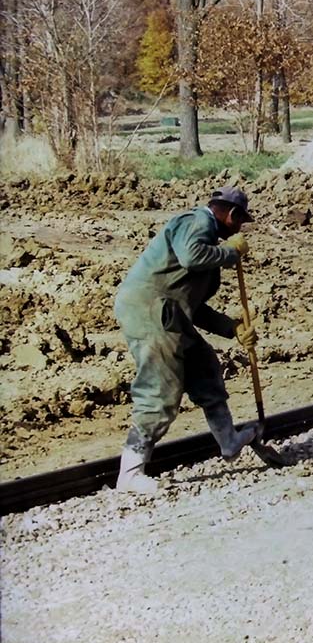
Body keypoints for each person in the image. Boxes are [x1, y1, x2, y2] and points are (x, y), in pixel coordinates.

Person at [113, 187, 261, 493]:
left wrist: (231, 328)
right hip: (150, 312)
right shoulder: (198, 222)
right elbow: (192, 257)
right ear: (231, 215)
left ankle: (228, 441)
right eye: (240, 223)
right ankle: (129, 472)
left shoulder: (207, 242)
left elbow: (194, 307)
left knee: (205, 368)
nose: (239, 230)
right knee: (161, 388)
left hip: (171, 314)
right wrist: (231, 254)